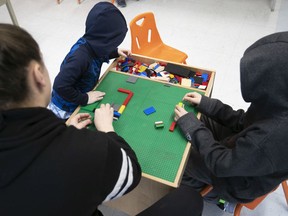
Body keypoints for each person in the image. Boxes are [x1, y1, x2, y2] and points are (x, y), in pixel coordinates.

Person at [0, 23, 141, 216]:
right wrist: (107, 129)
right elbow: (131, 173)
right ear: (38, 74)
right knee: (186, 200)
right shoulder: (88, 151)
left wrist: (63, 128)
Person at [174, 32, 288, 213]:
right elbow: (244, 121)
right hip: (246, 152)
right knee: (201, 118)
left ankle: (216, 198)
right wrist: (208, 105)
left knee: (179, 164)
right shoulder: (278, 102)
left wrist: (193, 129)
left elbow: (222, 163)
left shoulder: (272, 137)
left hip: (240, 181)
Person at [49, 2, 131, 119]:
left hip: (79, 96)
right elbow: (60, 86)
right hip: (65, 109)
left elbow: (99, 54)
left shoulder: (94, 43)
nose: (112, 45)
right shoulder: (80, 58)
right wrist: (85, 98)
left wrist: (115, 52)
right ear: (104, 39)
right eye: (112, 42)